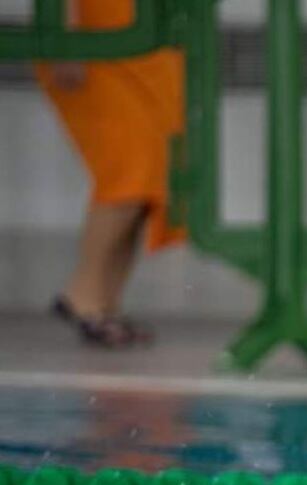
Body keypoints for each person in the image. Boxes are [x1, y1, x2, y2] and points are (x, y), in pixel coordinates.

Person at [34, 0, 185, 348]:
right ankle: (82, 295)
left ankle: (105, 303)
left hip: (145, 47)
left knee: (152, 176)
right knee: (129, 171)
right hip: (95, 43)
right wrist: (64, 39)